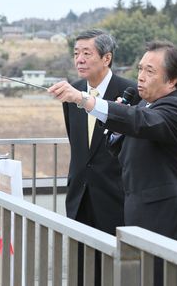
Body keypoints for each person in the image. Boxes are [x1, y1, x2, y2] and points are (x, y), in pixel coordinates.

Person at [49, 41, 177, 285]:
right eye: (140, 69)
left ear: (172, 81)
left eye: (150, 71)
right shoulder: (143, 105)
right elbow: (125, 141)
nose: (141, 77)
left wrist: (86, 100)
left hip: (163, 218)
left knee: (161, 278)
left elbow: (140, 121)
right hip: (135, 212)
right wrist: (116, 127)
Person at [53, 29, 138, 285]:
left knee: (117, 272)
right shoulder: (72, 93)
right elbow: (79, 148)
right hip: (80, 196)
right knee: (81, 270)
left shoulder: (130, 91)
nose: (79, 59)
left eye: (87, 53)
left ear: (106, 58)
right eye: (76, 53)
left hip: (116, 196)